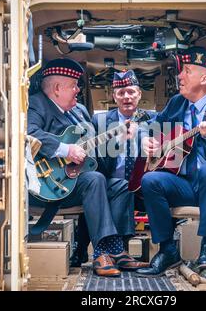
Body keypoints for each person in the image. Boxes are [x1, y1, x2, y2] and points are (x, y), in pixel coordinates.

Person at [27, 58, 147, 277]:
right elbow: (29, 133)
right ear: (56, 88)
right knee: (95, 180)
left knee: (120, 185)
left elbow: (93, 153)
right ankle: (101, 253)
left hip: (76, 181)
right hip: (48, 184)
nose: (78, 90)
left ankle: (117, 251)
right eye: (74, 85)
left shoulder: (80, 110)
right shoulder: (37, 104)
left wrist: (119, 140)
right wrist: (66, 150)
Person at [135, 47, 206, 277]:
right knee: (150, 180)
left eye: (186, 71)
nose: (179, 76)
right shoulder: (177, 103)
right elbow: (152, 127)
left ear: (204, 78)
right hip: (186, 184)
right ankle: (167, 250)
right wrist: (146, 140)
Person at [70, 70, 154, 267]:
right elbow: (93, 159)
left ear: (139, 94)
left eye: (131, 92)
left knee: (128, 189)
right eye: (121, 92)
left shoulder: (153, 119)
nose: (127, 97)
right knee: (102, 188)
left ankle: (116, 251)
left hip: (142, 184)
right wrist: (116, 141)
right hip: (108, 178)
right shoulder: (98, 121)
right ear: (114, 96)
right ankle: (107, 251)